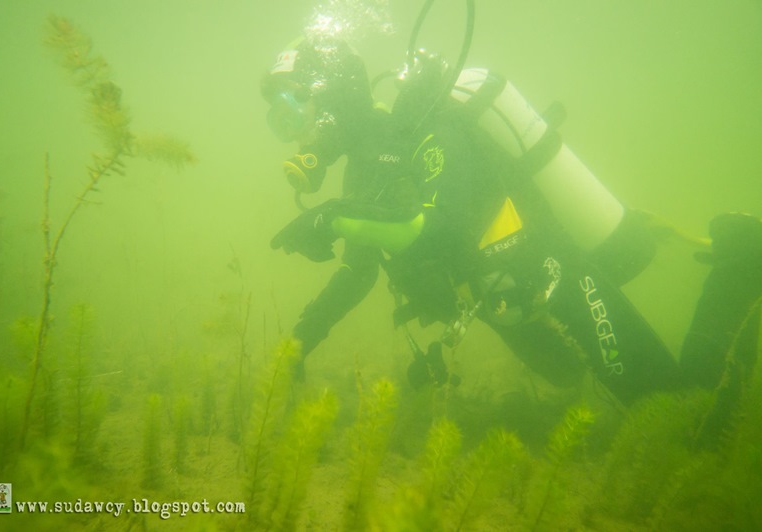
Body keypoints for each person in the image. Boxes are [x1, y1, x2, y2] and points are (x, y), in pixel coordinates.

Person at [261, 36, 762, 406]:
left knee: (676, 408)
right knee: (568, 375)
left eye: (297, 108)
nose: (297, 133)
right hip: (505, 300)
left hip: (551, 274)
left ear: (336, 96)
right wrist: (301, 341)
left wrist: (331, 220)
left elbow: (431, 227)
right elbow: (358, 270)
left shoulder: (424, 135)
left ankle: (738, 268)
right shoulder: (364, 173)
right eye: (280, 117)